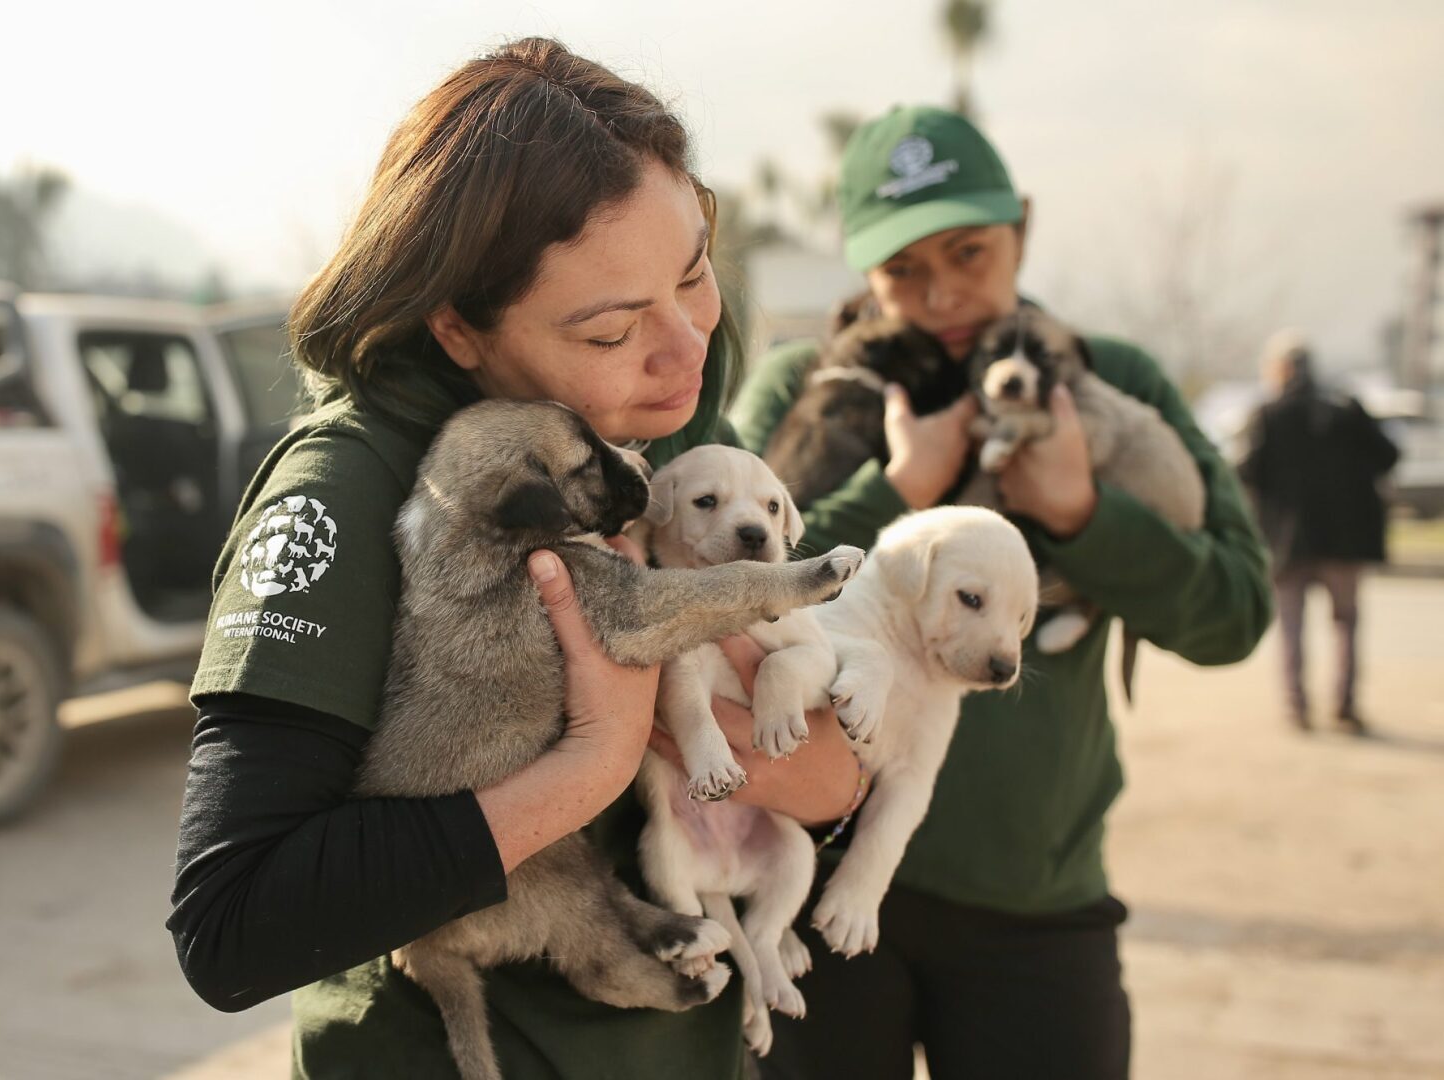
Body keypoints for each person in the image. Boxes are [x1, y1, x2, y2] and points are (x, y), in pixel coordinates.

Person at [166, 38, 866, 1079]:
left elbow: (828, 781)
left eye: (694, 273)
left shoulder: (668, 440)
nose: (685, 349)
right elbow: (232, 926)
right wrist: (586, 766)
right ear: (457, 326)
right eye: (611, 328)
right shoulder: (354, 489)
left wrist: (697, 727)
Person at [732, 106, 1274, 1080]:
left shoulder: (1106, 385)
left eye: (970, 253)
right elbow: (728, 597)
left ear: (1021, 228)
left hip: (1035, 902)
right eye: (902, 270)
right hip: (811, 875)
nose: (939, 293)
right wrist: (895, 492)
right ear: (863, 269)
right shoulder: (803, 390)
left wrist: (1084, 512)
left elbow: (1237, 612)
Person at [1238, 329, 1399, 734]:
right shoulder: (1347, 409)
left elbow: (1245, 472)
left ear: (1282, 369)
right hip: (1346, 542)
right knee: (1346, 623)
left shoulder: (1269, 414)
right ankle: (1344, 706)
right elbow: (1389, 456)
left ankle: (1297, 707)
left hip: (1289, 543)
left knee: (1291, 627)